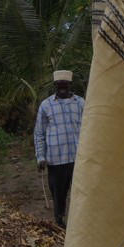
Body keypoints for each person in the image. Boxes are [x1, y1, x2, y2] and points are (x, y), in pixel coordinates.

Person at [33, 70, 84, 228]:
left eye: (65, 84)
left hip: (78, 159)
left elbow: (90, 129)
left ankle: (80, 224)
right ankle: (60, 222)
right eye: (59, 85)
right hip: (56, 160)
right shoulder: (46, 105)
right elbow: (39, 133)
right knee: (58, 194)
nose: (62, 87)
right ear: (55, 85)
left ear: (69, 85)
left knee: (81, 194)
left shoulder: (81, 103)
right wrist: (41, 157)